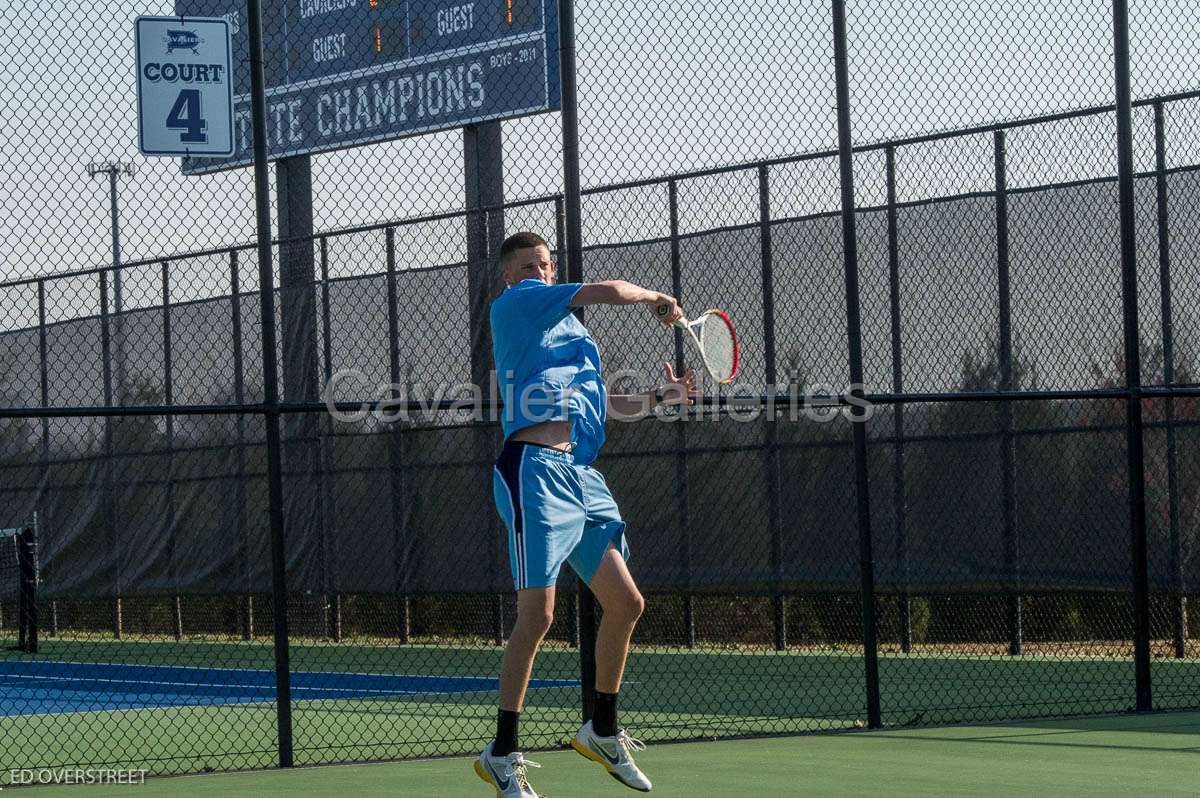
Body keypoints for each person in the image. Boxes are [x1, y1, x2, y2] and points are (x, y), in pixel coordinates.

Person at [475, 231, 695, 797]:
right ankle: (502, 753)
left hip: (581, 477)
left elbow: (600, 404)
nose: (538, 273)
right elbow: (608, 289)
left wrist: (655, 400)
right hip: (533, 472)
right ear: (509, 276)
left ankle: (602, 728)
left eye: (544, 265)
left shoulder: (573, 334)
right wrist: (653, 298)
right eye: (527, 266)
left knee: (626, 602)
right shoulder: (518, 304)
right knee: (539, 616)